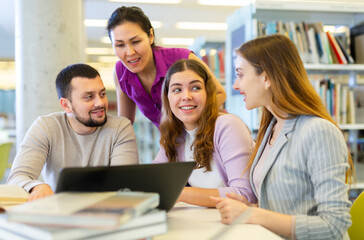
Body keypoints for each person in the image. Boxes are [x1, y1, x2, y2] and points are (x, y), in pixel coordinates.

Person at [212, 34, 354, 239]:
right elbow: (289, 205)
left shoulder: (318, 131)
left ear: (267, 78)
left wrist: (252, 213)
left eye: (240, 75)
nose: (235, 85)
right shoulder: (272, 127)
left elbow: (333, 226)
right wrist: (252, 207)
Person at [7, 63, 139, 201]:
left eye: (102, 94)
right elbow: (16, 178)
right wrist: (37, 187)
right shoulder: (46, 127)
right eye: (89, 97)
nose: (100, 103)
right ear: (66, 105)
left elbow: (124, 185)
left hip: (106, 213)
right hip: (59, 215)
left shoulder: (120, 128)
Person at [152, 59, 256, 208]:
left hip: (244, 223)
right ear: (167, 98)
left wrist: (180, 193)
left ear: (208, 93)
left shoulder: (227, 126)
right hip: (210, 219)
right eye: (177, 90)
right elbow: (153, 179)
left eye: (195, 88)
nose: (186, 96)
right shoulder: (175, 133)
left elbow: (243, 195)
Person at [106, 6, 226, 128]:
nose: (130, 52)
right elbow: (125, 123)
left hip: (209, 132)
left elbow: (220, 94)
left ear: (150, 36)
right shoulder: (120, 72)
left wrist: (185, 122)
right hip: (172, 142)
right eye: (120, 45)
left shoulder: (182, 58)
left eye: (136, 42)